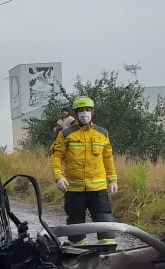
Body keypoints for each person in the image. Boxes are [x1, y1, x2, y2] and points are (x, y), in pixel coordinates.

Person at [50, 96, 118, 246]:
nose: (84, 113)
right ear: (75, 113)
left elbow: (108, 158)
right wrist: (58, 176)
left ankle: (108, 257)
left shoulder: (102, 133)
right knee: (76, 228)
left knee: (105, 226)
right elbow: (56, 157)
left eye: (87, 110)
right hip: (74, 190)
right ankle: (78, 260)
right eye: (81, 111)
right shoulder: (66, 134)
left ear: (92, 112)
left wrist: (113, 180)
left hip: (98, 189)